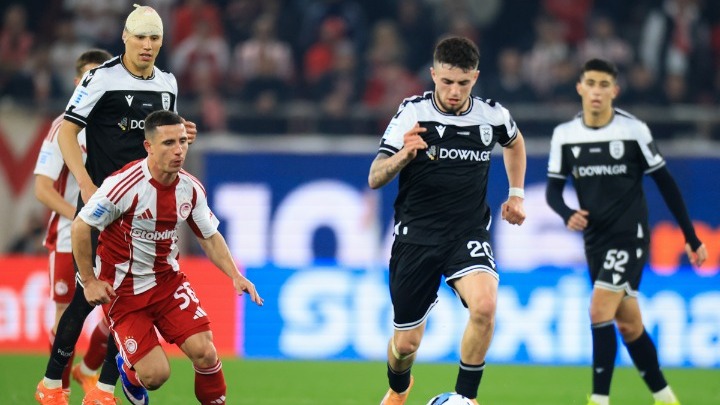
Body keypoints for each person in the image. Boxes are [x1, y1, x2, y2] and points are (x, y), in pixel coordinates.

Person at [35, 5, 198, 405]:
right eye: (140, 36)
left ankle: (105, 389)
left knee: (131, 301)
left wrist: (181, 135)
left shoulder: (168, 83)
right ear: (125, 36)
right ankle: (52, 384)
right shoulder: (101, 78)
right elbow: (67, 133)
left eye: (154, 38)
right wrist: (86, 184)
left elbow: (160, 139)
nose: (147, 45)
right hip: (102, 203)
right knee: (84, 296)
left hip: (140, 211)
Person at [368, 36, 527, 405]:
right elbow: (375, 176)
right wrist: (404, 155)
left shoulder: (492, 116)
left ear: (475, 78)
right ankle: (398, 387)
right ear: (433, 75)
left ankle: (466, 398)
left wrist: (516, 194)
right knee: (405, 345)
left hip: (466, 234)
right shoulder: (413, 113)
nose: (455, 91)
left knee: (485, 307)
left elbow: (515, 142)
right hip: (416, 238)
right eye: (447, 81)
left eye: (463, 83)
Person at [545, 58, 708, 405]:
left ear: (614, 91)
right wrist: (566, 213)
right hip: (595, 241)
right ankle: (666, 398)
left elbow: (666, 184)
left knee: (598, 310)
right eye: (591, 83)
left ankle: (599, 399)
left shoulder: (633, 130)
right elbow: (553, 191)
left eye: (604, 85)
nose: (597, 91)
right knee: (629, 324)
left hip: (629, 236)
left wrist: (690, 237)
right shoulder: (565, 135)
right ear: (580, 87)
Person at [73, 110, 263, 405]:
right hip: (124, 292)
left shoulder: (191, 188)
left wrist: (235, 275)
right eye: (169, 143)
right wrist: (89, 280)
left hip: (167, 283)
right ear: (148, 146)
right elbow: (81, 226)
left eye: (183, 142)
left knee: (205, 351)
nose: (178, 150)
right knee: (156, 376)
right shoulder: (123, 186)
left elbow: (208, 236)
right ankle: (130, 372)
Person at [33, 48, 114, 400]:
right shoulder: (62, 129)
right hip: (70, 236)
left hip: (113, 236)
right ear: (77, 81)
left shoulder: (117, 124)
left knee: (118, 315)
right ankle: (59, 391)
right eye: (88, 78)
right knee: (66, 316)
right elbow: (42, 189)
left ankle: (89, 369)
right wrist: (84, 218)